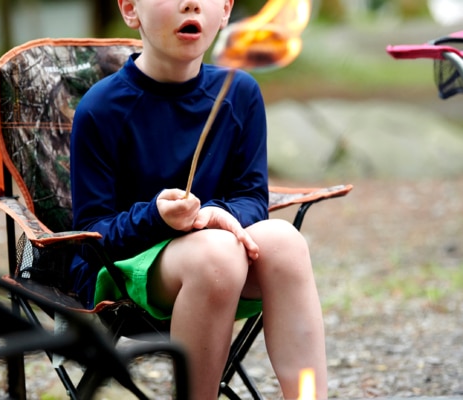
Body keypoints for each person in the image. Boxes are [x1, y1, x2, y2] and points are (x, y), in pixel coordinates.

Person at [69, 0, 328, 398]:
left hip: (220, 259)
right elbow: (91, 235)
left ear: (225, 10)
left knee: (286, 242)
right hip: (121, 270)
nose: (190, 3)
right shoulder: (101, 109)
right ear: (129, 9)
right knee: (216, 253)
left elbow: (251, 196)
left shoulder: (239, 93)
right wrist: (156, 217)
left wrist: (215, 213)